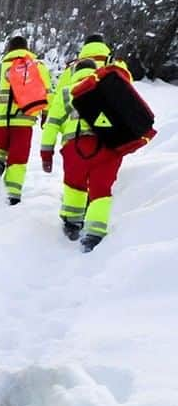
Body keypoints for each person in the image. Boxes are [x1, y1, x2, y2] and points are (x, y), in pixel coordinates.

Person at [41, 37, 135, 251]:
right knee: (101, 189)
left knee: (75, 186)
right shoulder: (113, 74)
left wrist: (47, 152)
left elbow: (53, 122)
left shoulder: (67, 89)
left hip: (75, 145)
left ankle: (72, 224)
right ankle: (94, 233)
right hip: (108, 145)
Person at [0, 36, 53, 205]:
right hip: (24, 120)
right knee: (18, 159)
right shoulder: (37, 68)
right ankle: (12, 196)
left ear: (8, 50)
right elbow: (47, 92)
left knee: (0, 148)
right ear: (26, 49)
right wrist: (45, 114)